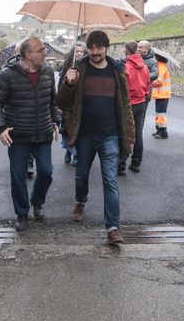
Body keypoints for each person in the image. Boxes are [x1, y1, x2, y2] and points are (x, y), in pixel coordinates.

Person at [57, 30, 135, 245]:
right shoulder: (78, 68)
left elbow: (126, 105)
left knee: (110, 180)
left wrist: (130, 134)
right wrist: (69, 83)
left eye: (98, 47)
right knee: (81, 176)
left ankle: (113, 227)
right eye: (91, 48)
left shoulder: (117, 70)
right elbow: (61, 102)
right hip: (85, 135)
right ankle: (80, 201)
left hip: (110, 135)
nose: (94, 52)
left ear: (106, 48)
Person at [0, 36, 59, 232]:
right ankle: (21, 213)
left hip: (43, 133)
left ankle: (37, 201)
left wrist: (56, 120)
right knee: (18, 176)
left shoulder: (47, 71)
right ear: (28, 55)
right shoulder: (7, 75)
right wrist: (1, 128)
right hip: (18, 135)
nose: (45, 53)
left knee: (46, 172)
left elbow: (52, 100)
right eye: (41, 50)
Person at [118, 41, 150, 174]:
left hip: (129, 104)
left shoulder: (126, 68)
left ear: (126, 51)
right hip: (141, 103)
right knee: (138, 133)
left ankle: (121, 165)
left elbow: (122, 89)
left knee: (125, 133)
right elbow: (148, 86)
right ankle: (136, 163)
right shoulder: (145, 67)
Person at [58, 41, 86, 166]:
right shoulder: (67, 67)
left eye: (81, 51)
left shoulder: (87, 67)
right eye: (77, 51)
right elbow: (60, 86)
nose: (79, 53)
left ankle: (76, 154)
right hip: (69, 105)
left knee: (79, 131)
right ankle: (69, 151)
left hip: (82, 105)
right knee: (68, 130)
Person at [152, 53, 172, 139]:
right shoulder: (162, 66)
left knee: (161, 114)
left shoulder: (161, 67)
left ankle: (163, 132)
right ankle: (159, 129)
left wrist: (150, 82)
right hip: (161, 94)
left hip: (162, 94)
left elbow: (159, 81)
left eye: (155, 57)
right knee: (159, 113)